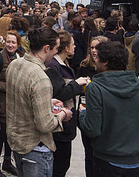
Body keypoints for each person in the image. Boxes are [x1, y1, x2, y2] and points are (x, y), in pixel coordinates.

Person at [79, 41, 139, 176]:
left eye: (97, 57)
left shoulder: (95, 88)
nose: (94, 60)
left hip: (107, 159)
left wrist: (82, 113)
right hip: (135, 161)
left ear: (106, 62)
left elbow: (92, 129)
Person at [6, 27, 71, 177]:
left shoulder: (15, 64)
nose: (56, 52)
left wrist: (46, 101)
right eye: (56, 48)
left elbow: (22, 97)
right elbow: (45, 125)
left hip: (17, 142)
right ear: (46, 48)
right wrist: (63, 114)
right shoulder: (40, 77)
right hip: (35, 149)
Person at [47, 30, 88, 177]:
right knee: (60, 165)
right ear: (65, 48)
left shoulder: (62, 63)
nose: (75, 46)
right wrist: (76, 84)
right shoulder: (54, 65)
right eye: (73, 44)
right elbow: (59, 93)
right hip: (60, 124)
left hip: (66, 122)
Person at [0, 30, 24, 177]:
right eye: (8, 42)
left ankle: (7, 162)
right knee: (1, 135)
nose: (10, 45)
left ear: (18, 44)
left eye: (13, 42)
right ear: (4, 42)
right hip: (3, 104)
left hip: (17, 105)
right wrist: (10, 86)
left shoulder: (20, 57)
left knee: (11, 135)